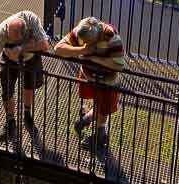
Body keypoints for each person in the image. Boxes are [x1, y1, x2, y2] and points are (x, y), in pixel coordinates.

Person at [54, 17, 127, 151]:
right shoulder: (81, 31)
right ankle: (88, 119)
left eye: (89, 43)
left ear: (98, 36)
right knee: (98, 102)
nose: (86, 44)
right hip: (88, 76)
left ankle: (100, 134)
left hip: (107, 80)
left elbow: (119, 65)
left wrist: (93, 58)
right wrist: (83, 50)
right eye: (84, 42)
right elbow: (58, 49)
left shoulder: (110, 35)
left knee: (104, 107)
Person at [0, 10, 49, 140]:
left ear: (24, 34)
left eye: (13, 39)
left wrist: (21, 48)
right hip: (9, 59)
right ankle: (10, 121)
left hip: (31, 58)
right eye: (9, 36)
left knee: (29, 85)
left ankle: (27, 114)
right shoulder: (2, 32)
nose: (9, 38)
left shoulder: (32, 20)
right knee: (7, 90)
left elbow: (45, 45)